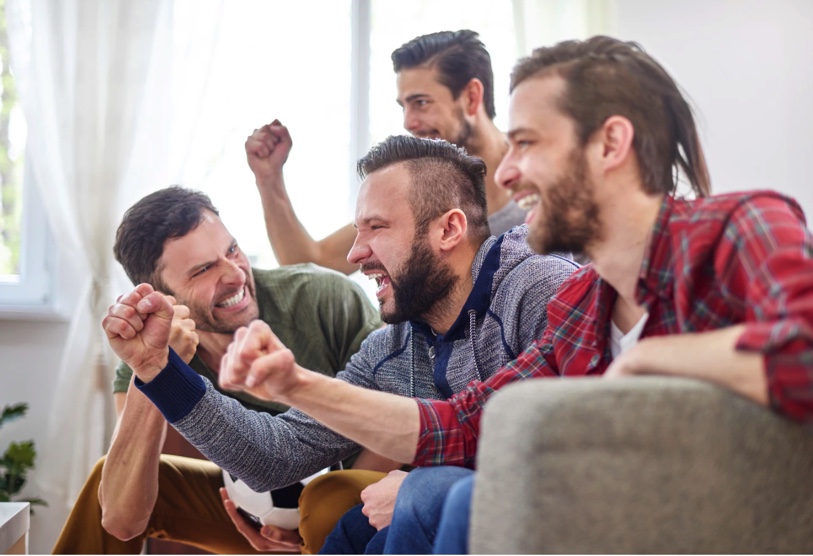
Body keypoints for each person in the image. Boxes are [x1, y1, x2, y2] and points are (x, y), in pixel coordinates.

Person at [143, 35, 812, 554]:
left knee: (444, 495)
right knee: (428, 496)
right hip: (603, 511)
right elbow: (464, 424)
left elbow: (803, 354)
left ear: (609, 143)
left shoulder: (734, 227)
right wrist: (289, 383)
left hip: (709, 520)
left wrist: (643, 369)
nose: (508, 168)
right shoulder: (583, 308)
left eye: (524, 142)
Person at [100, 136, 577, 553]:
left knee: (425, 494)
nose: (354, 253)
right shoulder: (391, 350)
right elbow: (275, 455)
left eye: (376, 228)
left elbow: (580, 446)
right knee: (353, 532)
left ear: (448, 230)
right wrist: (160, 372)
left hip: (563, 515)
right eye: (357, 230)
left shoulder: (537, 285)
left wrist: (416, 486)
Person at [52, 186, 383, 554]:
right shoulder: (151, 351)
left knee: (326, 500)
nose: (235, 275)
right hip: (244, 512)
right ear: (162, 298)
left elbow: (394, 418)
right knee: (107, 474)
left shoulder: (325, 300)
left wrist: (310, 527)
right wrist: (154, 369)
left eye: (232, 250)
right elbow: (122, 520)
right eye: (204, 270)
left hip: (351, 502)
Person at [248, 30, 528, 276]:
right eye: (403, 106)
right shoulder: (415, 187)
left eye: (421, 102)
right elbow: (311, 265)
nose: (409, 122)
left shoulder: (538, 175)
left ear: (471, 96)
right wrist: (269, 178)